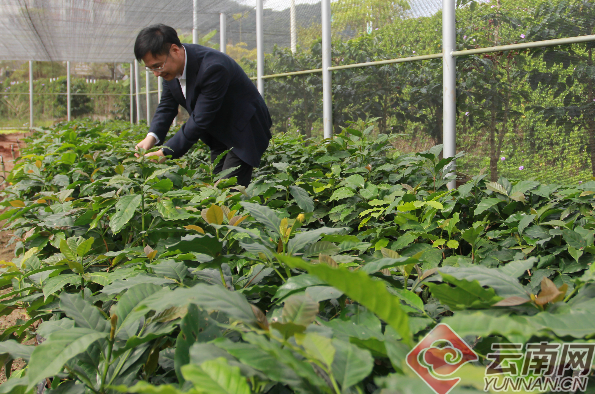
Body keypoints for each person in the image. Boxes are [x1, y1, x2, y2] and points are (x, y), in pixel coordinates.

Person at [134, 24, 272, 187]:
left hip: (245, 129)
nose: (157, 73)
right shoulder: (170, 72)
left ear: (175, 50)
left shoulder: (213, 67)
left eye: (158, 66)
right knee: (218, 188)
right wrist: (152, 137)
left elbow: (200, 118)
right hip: (220, 132)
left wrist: (165, 152)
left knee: (228, 192)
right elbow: (167, 106)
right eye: (151, 69)